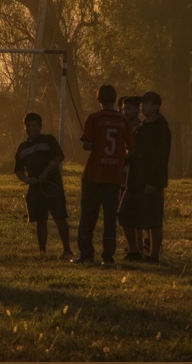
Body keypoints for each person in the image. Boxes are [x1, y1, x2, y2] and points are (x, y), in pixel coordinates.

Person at [74, 84, 132, 265]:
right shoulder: (123, 121)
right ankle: (108, 256)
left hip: (93, 175)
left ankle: (86, 254)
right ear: (114, 99)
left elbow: (87, 145)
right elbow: (131, 147)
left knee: (88, 215)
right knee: (110, 218)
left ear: (98, 99)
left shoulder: (94, 118)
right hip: (114, 176)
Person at [118, 91, 171, 263]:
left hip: (151, 181)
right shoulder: (140, 128)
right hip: (134, 180)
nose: (143, 106)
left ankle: (154, 255)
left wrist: (154, 182)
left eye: (147, 103)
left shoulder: (161, 128)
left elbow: (161, 157)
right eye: (142, 103)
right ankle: (134, 250)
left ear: (156, 106)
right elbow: (131, 150)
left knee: (153, 220)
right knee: (124, 214)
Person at [14, 112, 73, 258]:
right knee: (40, 220)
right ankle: (42, 252)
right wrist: (27, 180)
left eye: (34, 125)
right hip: (35, 188)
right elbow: (18, 170)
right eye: (28, 125)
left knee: (60, 217)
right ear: (25, 128)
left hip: (52, 186)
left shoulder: (48, 140)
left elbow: (58, 157)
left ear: (40, 127)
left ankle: (67, 250)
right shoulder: (22, 147)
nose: (31, 128)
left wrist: (46, 172)